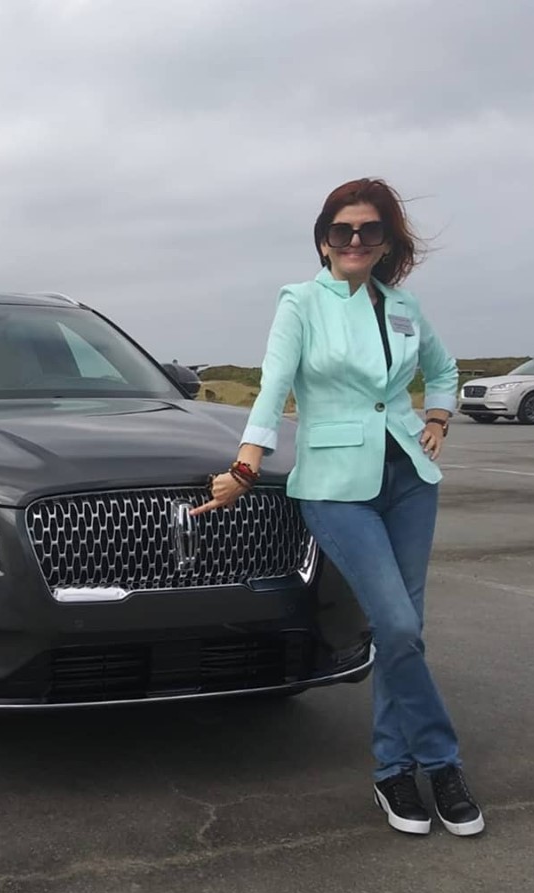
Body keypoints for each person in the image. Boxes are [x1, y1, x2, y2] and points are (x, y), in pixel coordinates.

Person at [192, 178, 484, 837]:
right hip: (334, 485)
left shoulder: (404, 306)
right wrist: (245, 465)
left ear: (386, 242)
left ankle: (393, 771)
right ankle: (441, 762)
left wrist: (438, 417)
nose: (355, 240)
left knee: (403, 631)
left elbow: (443, 370)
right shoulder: (300, 302)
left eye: (369, 230)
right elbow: (274, 386)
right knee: (397, 626)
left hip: (409, 479)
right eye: (342, 230)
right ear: (324, 240)